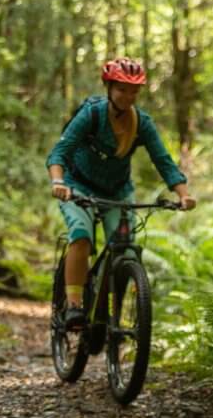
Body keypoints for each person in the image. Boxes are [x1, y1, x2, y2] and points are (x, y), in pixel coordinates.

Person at [47, 57, 197, 327]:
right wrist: (58, 183)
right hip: (77, 186)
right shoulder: (91, 114)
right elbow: (60, 152)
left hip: (118, 192)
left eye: (134, 91)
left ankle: (113, 312)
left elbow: (163, 161)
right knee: (81, 237)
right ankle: (72, 305)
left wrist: (183, 194)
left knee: (126, 251)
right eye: (121, 89)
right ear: (108, 87)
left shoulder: (142, 123)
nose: (128, 96)